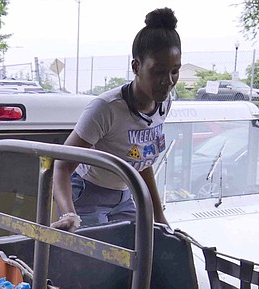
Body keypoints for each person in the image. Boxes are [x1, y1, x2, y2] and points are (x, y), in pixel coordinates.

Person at [52, 7, 181, 232]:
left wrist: (159, 216)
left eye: (175, 71)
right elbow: (61, 166)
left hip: (124, 194)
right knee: (98, 261)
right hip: (87, 192)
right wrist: (69, 213)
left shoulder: (164, 103)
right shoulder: (106, 109)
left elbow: (143, 161)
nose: (168, 81)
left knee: (150, 246)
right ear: (136, 66)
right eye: (158, 72)